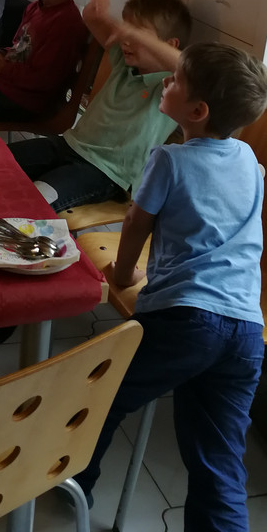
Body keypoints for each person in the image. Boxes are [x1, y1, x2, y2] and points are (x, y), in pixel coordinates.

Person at [73, 42, 267, 532]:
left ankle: (72, 487)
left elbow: (136, 224)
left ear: (197, 111)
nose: (165, 81)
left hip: (187, 318)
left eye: (176, 80)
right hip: (246, 330)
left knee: (104, 395)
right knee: (220, 456)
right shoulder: (249, 160)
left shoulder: (169, 159)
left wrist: (123, 277)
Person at [8, 0, 191, 213]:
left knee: (33, 201)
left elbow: (188, 65)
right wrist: (95, 14)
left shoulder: (170, 85)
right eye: (126, 31)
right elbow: (92, 20)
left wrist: (136, 35)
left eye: (136, 35)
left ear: (170, 44)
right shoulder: (125, 63)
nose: (126, 40)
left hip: (104, 171)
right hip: (67, 145)